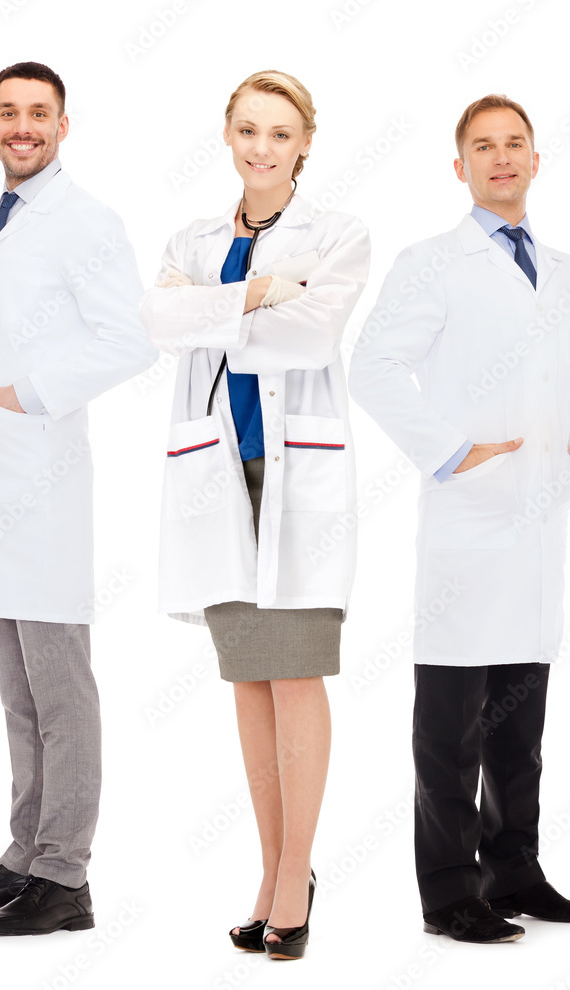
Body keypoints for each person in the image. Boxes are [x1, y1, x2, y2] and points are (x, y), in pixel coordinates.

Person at [348, 94, 570, 944]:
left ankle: (517, 871)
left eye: (515, 145)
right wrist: (451, 450)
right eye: (483, 147)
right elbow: (374, 365)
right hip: (469, 519)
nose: (501, 158)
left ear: (536, 161)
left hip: (542, 522)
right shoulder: (431, 262)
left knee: (521, 720)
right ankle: (450, 891)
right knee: (451, 725)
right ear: (458, 166)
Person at [139, 70, 369, 960]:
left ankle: (296, 872)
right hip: (215, 477)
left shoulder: (340, 236)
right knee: (247, 679)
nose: (261, 147)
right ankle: (274, 868)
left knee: (295, 673)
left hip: (294, 476)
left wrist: (213, 314)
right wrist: (265, 292)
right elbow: (157, 322)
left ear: (306, 142)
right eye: (247, 130)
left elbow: (312, 337)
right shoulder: (194, 238)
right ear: (227, 136)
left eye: (279, 133)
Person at [0, 61, 157, 936]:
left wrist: (24, 394)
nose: (23, 125)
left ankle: (65, 877)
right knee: (18, 694)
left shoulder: (86, 219)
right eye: (9, 112)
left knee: (60, 691)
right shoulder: (9, 213)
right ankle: (25, 854)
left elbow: (129, 340)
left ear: (65, 126)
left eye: (39, 113)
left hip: (41, 483)